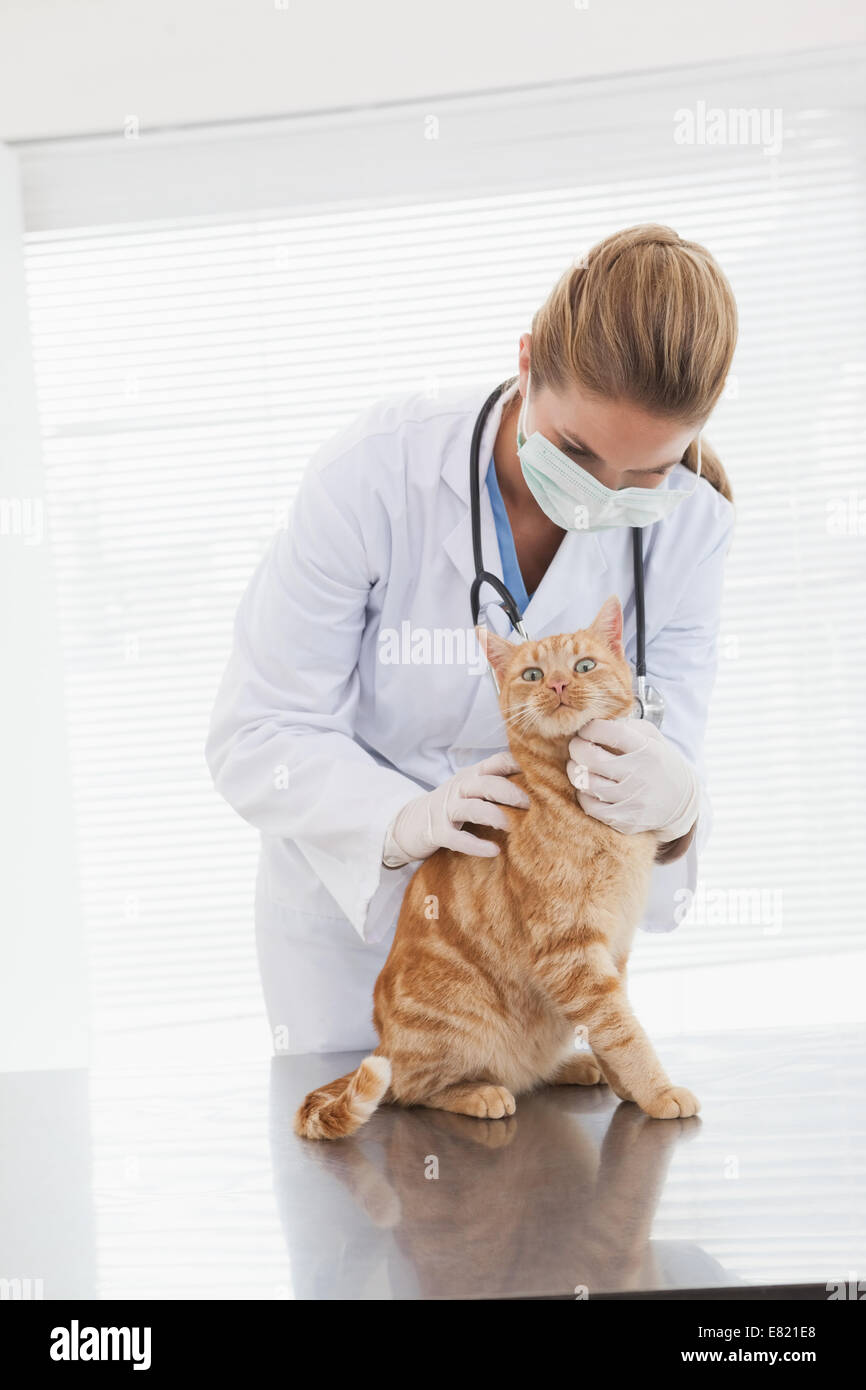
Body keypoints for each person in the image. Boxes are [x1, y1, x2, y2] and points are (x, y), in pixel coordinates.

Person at [205, 223, 738, 1055]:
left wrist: (678, 807)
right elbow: (259, 733)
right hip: (356, 935)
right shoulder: (379, 472)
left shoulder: (690, 531)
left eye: (644, 476)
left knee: (540, 1174)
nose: (601, 496)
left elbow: (669, 758)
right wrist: (405, 818)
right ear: (527, 364)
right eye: (576, 451)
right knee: (355, 1172)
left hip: (549, 950)